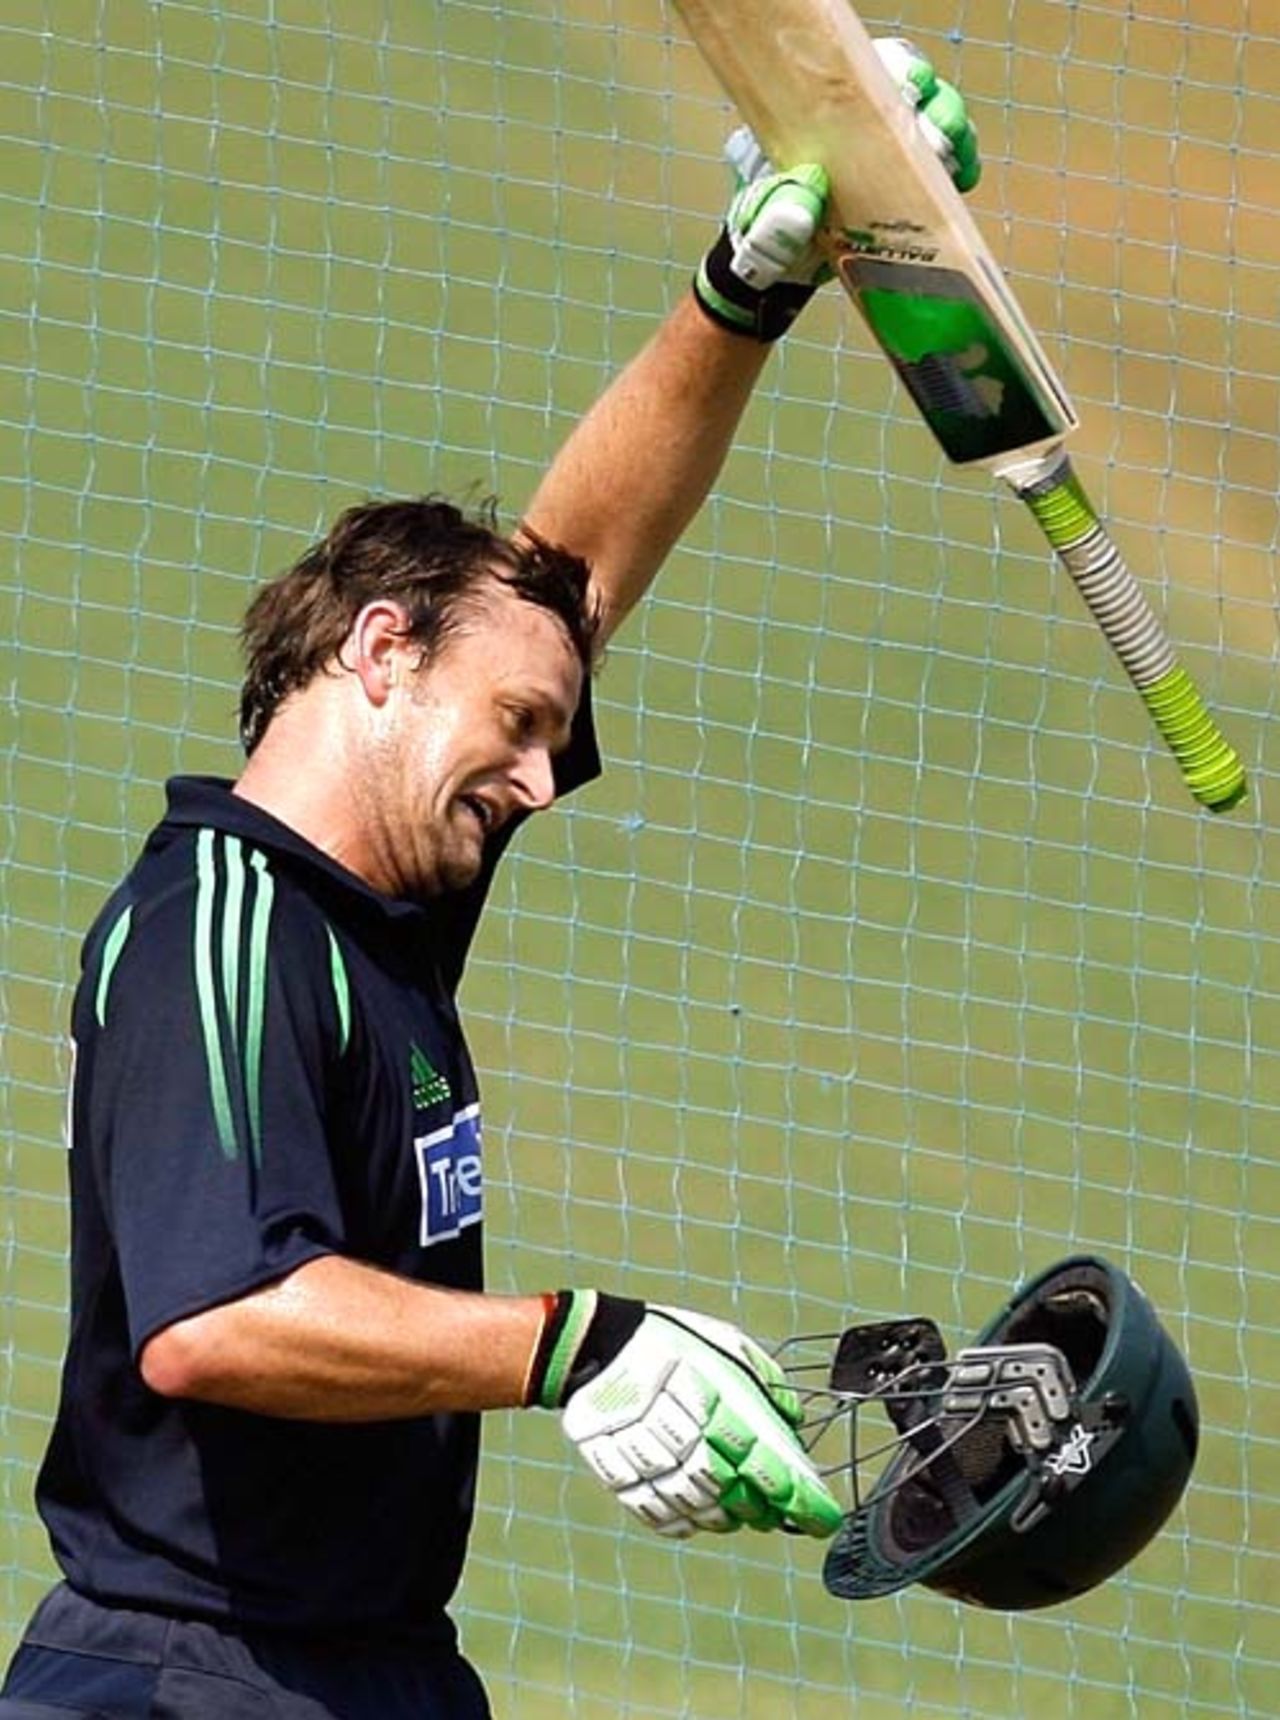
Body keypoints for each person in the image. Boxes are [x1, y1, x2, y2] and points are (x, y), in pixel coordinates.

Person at [0, 43, 980, 1720]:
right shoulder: (217, 934)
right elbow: (216, 1318)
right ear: (381, 652)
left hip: (369, 1669)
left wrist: (750, 288)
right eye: (518, 727)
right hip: (188, 1681)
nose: (542, 777)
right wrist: (573, 1343)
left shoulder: (386, 899)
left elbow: (570, 582)